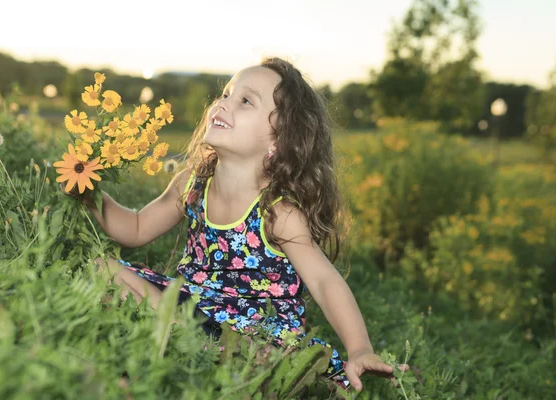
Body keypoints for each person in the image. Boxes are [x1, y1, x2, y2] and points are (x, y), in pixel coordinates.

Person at [66, 57, 408, 392]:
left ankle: (219, 356)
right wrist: (91, 195)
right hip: (193, 307)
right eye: (226, 93)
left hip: (252, 331)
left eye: (246, 101)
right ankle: (195, 347)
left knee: (254, 351)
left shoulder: (278, 212)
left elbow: (323, 281)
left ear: (278, 140)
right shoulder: (192, 184)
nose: (224, 104)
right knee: (104, 269)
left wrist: (359, 348)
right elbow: (137, 228)